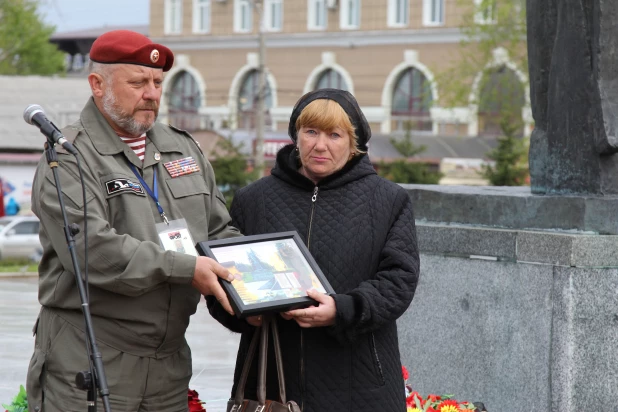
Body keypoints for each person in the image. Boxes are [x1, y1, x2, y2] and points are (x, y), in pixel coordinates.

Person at [26, 30, 240, 412]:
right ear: (97, 84)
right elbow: (94, 250)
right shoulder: (69, 159)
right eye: (138, 82)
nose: (153, 93)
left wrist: (256, 287)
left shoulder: (184, 148)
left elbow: (219, 232)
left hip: (169, 365)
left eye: (158, 82)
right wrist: (186, 267)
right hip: (91, 360)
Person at [208, 89, 420, 412]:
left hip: (360, 386)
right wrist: (241, 313)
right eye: (311, 132)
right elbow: (220, 279)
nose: (320, 145)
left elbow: (398, 281)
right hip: (273, 386)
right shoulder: (254, 200)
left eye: (334, 135)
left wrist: (342, 310)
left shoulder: (388, 201)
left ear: (354, 143)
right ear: (296, 136)